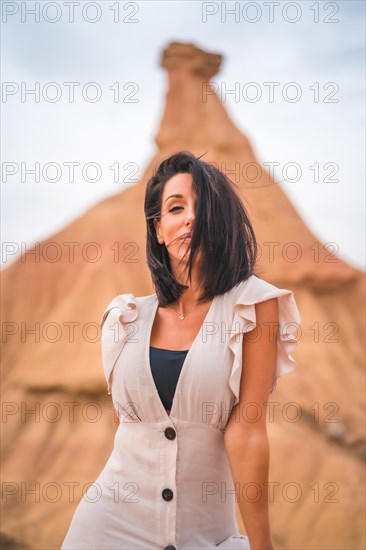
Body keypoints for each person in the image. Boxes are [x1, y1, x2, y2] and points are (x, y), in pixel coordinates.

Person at [61, 151, 301, 550]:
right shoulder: (126, 317)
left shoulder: (253, 306)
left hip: (203, 533)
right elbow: (128, 425)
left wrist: (263, 545)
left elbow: (247, 432)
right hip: (106, 527)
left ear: (219, 221)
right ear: (158, 229)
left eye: (202, 208)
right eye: (176, 208)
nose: (190, 217)